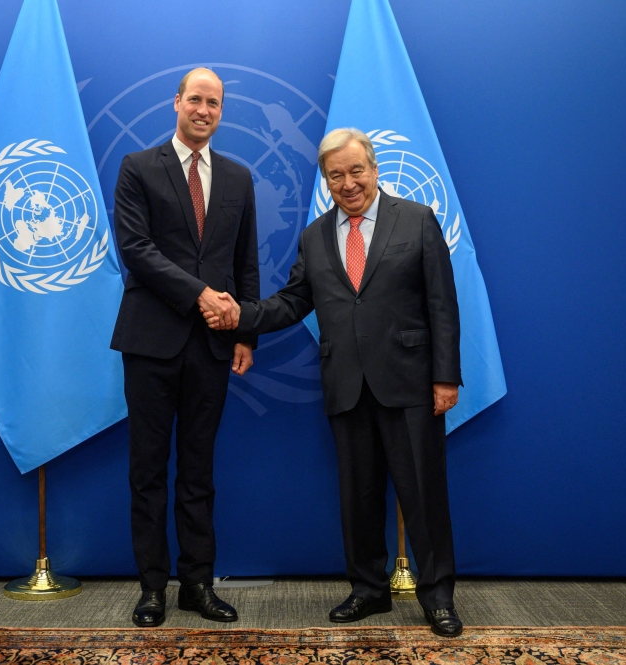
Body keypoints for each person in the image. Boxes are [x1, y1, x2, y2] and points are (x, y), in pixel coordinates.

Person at [204, 128, 464, 637]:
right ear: (326, 181)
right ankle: (369, 590)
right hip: (346, 384)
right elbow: (292, 302)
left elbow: (443, 306)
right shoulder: (316, 236)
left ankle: (438, 597)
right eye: (335, 175)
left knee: (423, 497)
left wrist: (445, 377)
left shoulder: (416, 219)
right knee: (358, 496)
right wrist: (241, 316)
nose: (348, 184)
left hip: (410, 384)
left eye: (356, 171)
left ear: (374, 168)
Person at [110, 67, 259, 628]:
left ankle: (197, 584)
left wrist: (246, 331)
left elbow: (246, 262)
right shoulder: (137, 167)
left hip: (216, 346)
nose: (204, 109)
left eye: (214, 103)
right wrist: (199, 294)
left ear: (221, 112)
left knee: (199, 470)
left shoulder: (239, 178)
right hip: (150, 342)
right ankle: (153, 588)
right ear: (176, 103)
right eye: (195, 99)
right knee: (147, 469)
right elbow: (137, 250)